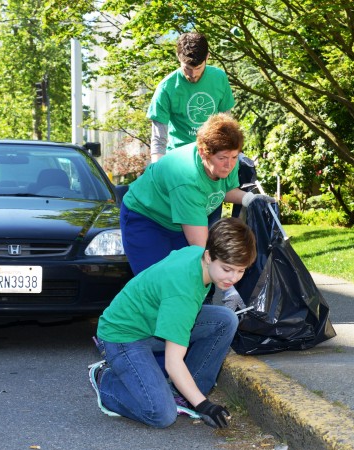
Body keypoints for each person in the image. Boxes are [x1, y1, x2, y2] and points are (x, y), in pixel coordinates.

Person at [88, 217, 257, 429]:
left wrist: (198, 401)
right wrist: (205, 406)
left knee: (225, 320)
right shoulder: (183, 292)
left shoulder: (200, 258)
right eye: (227, 269)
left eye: (240, 270)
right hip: (122, 336)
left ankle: (185, 394)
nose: (233, 278)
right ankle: (107, 382)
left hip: (154, 324)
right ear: (208, 256)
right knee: (161, 414)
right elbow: (173, 362)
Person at [120, 113, 274, 276]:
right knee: (156, 281)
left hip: (178, 219)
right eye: (222, 158)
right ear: (203, 152)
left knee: (186, 276)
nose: (229, 164)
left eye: (234, 157)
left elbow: (225, 190)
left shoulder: (227, 160)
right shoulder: (187, 179)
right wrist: (226, 272)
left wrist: (250, 199)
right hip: (146, 218)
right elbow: (199, 247)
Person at [147, 32, 235, 163]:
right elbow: (158, 141)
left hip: (213, 158)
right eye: (187, 68)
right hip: (179, 159)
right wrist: (157, 170)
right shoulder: (166, 88)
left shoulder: (219, 78)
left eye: (198, 68)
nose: (193, 74)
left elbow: (227, 126)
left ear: (207, 57)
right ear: (178, 57)